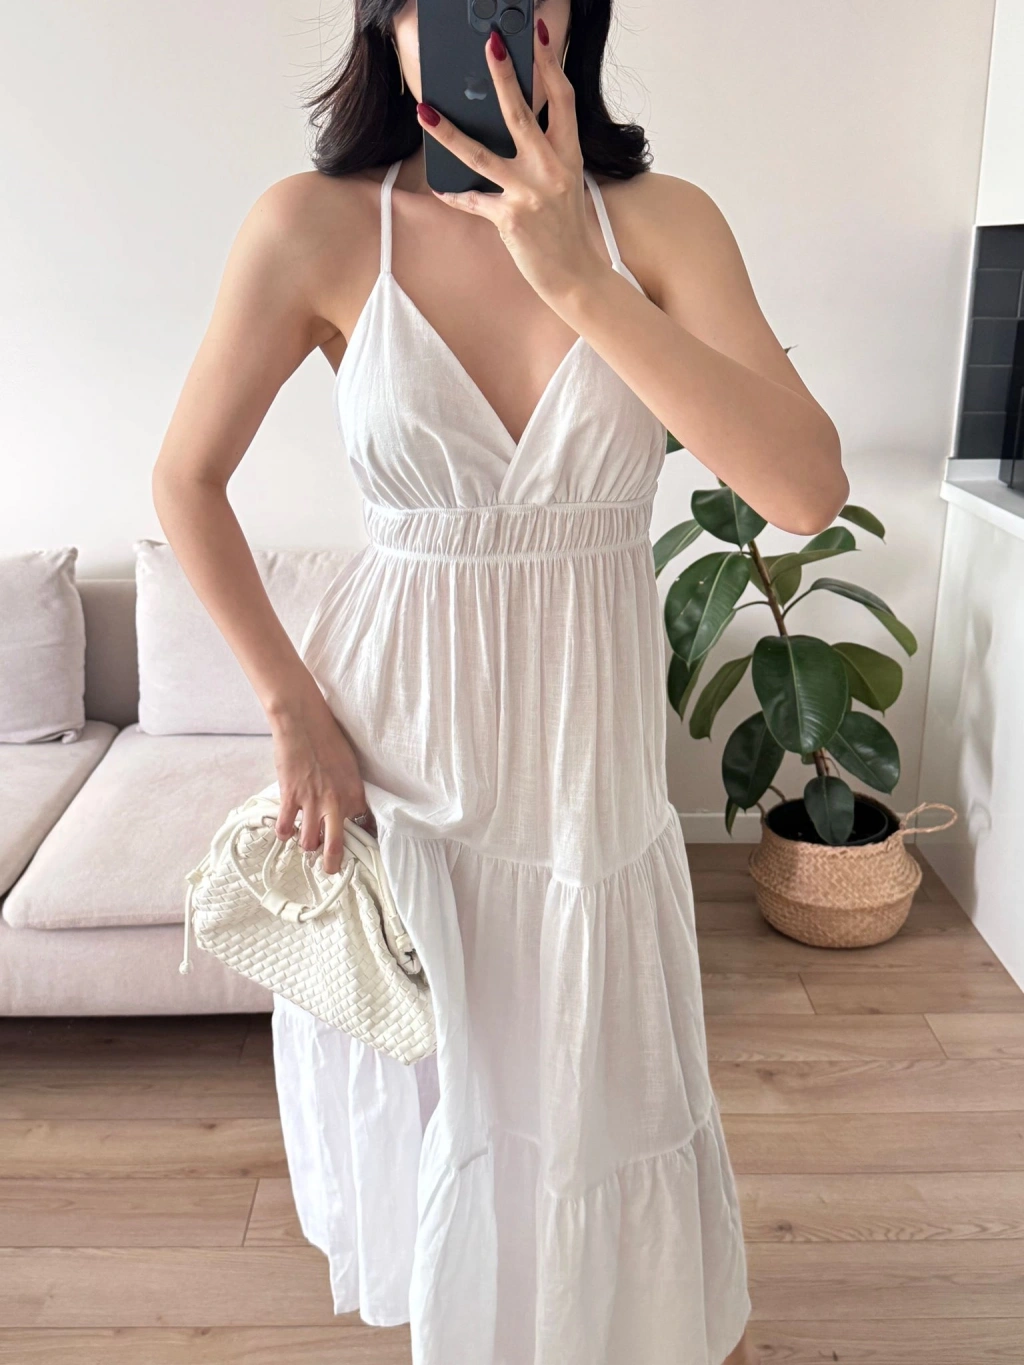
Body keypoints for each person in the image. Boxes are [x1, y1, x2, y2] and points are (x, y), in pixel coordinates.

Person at [152, 2, 847, 1361]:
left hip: (589, 788)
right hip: (400, 766)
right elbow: (185, 480)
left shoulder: (661, 226)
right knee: (451, 1126)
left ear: (575, 17)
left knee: (612, 1108)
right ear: (389, 21)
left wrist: (581, 279)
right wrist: (293, 713)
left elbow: (805, 490)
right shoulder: (317, 225)